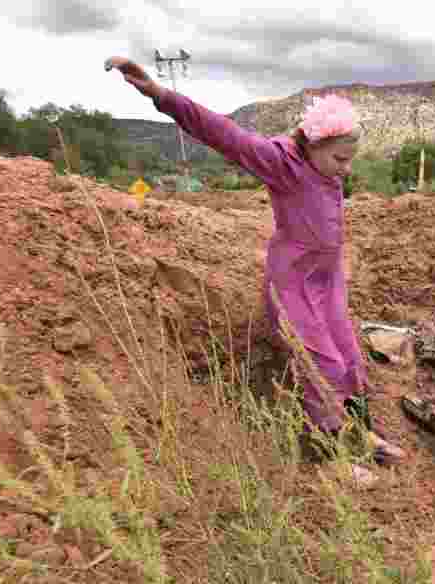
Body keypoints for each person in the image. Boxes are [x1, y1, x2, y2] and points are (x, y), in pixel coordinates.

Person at [105, 56, 405, 486]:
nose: (346, 169)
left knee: (349, 359)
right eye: (340, 159)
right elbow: (227, 135)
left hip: (327, 280)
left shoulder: (329, 170)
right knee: (321, 366)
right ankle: (329, 459)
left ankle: (362, 436)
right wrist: (161, 95)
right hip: (294, 284)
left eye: (349, 160)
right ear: (314, 146)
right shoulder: (281, 164)